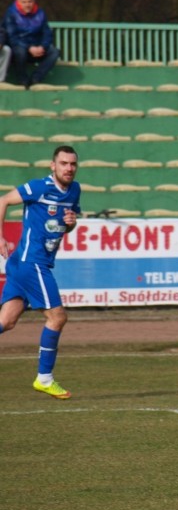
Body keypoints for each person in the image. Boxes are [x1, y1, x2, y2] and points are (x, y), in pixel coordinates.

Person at [0, 145, 80, 399]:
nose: (68, 168)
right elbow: (3, 200)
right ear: (53, 166)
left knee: (6, 321)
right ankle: (44, 379)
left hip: (25, 264)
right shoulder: (38, 187)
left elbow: (65, 225)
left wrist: (71, 224)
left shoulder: (75, 190)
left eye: (73, 164)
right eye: (63, 163)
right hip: (31, 263)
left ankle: (44, 379)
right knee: (57, 317)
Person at [3, 0, 60, 88]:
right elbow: (12, 37)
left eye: (30, 1)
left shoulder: (40, 13)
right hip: (19, 48)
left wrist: (43, 46)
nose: (27, 5)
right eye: (24, 2)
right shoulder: (11, 13)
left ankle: (36, 78)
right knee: (20, 52)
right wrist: (29, 47)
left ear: (34, 1)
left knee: (54, 52)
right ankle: (22, 80)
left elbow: (47, 33)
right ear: (18, 1)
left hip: (37, 47)